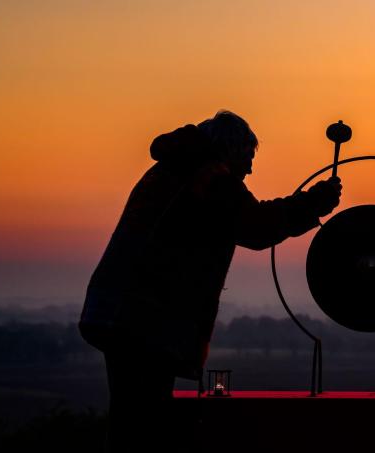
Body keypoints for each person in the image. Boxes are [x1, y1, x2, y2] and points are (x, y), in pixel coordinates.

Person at [78, 110, 341, 451]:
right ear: (229, 151)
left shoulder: (173, 169)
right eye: (247, 158)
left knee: (132, 416)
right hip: (145, 319)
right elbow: (255, 225)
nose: (249, 170)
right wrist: (312, 204)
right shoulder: (209, 177)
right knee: (143, 422)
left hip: (120, 310)